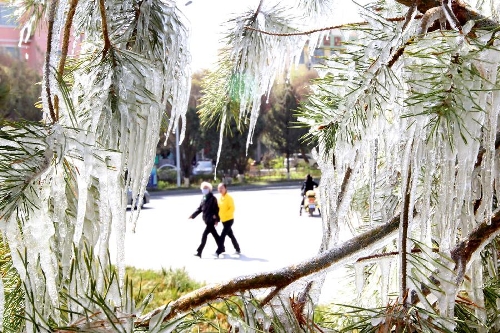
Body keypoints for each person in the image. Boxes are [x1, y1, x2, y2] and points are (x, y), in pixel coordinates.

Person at [189, 181, 224, 258]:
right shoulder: (204, 198)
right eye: (203, 188)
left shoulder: (213, 198)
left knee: (204, 235)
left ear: (209, 189)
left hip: (210, 220)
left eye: (206, 188)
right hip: (206, 219)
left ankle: (199, 251)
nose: (204, 189)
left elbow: (216, 210)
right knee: (215, 235)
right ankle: (222, 248)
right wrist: (193, 215)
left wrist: (216, 219)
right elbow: (200, 208)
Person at [217, 182, 241, 255]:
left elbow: (232, 208)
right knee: (231, 235)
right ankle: (237, 248)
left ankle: (219, 250)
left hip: (229, 220)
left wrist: (225, 214)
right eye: (219, 188)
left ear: (225, 188)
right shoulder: (220, 198)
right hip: (223, 220)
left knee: (222, 235)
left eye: (222, 188)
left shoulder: (229, 198)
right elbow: (219, 209)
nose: (220, 189)